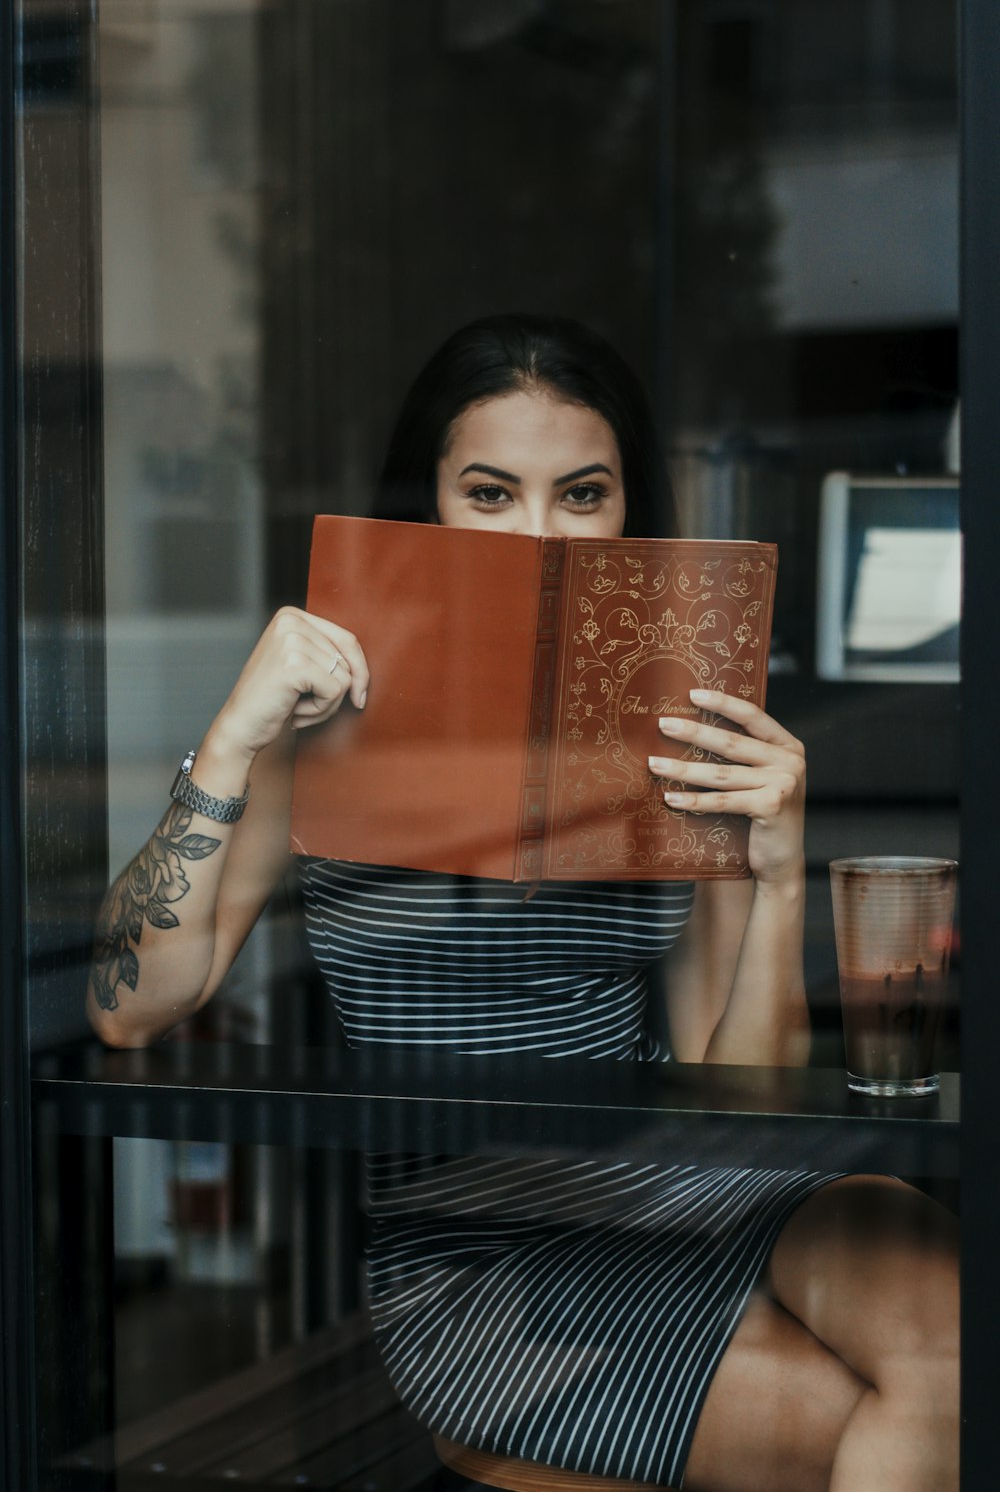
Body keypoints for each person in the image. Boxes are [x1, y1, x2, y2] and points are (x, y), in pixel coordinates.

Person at [89, 315, 958, 1492]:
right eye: (489, 492)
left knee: (960, 1352)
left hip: (703, 1179)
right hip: (490, 1261)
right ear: (429, 503)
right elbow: (131, 1007)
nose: (537, 535)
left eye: (581, 493)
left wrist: (776, 865)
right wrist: (235, 738)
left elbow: (744, 1093)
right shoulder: (319, 725)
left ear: (624, 513)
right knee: (855, 1423)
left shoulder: (671, 710)